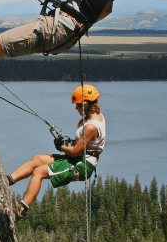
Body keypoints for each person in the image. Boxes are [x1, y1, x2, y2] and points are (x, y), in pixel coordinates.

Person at [7, 84, 106, 220]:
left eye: (77, 105)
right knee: (37, 159)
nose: (76, 108)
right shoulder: (98, 116)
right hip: (80, 158)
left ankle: (21, 210)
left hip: (83, 164)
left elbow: (76, 151)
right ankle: (8, 180)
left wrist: (60, 147)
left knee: (39, 171)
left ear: (85, 104)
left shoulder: (90, 126)